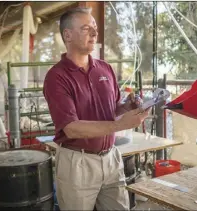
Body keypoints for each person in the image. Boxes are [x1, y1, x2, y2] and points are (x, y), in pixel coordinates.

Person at [43, 7, 150, 211]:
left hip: (110, 157)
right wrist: (119, 125)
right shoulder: (56, 77)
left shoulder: (105, 69)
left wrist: (127, 106)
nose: (94, 33)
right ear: (68, 35)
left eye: (94, 28)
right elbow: (71, 128)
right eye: (86, 28)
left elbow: (114, 108)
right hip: (78, 162)